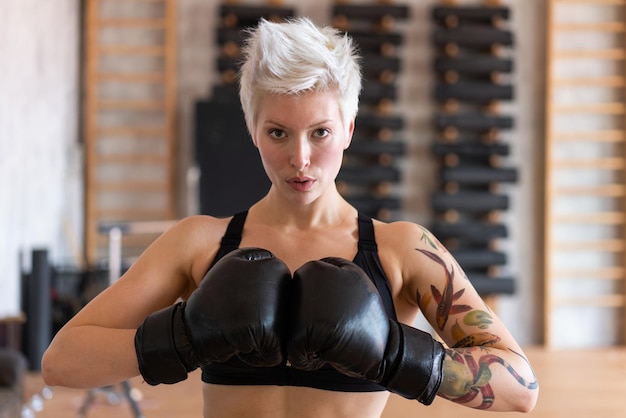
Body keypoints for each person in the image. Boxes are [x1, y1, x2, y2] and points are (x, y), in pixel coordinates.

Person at [42, 17, 538, 417]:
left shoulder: (401, 251)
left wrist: (395, 353)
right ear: (252, 130)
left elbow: (520, 389)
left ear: (348, 127)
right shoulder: (199, 245)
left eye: (319, 133)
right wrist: (185, 337)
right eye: (278, 133)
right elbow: (61, 361)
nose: (300, 158)